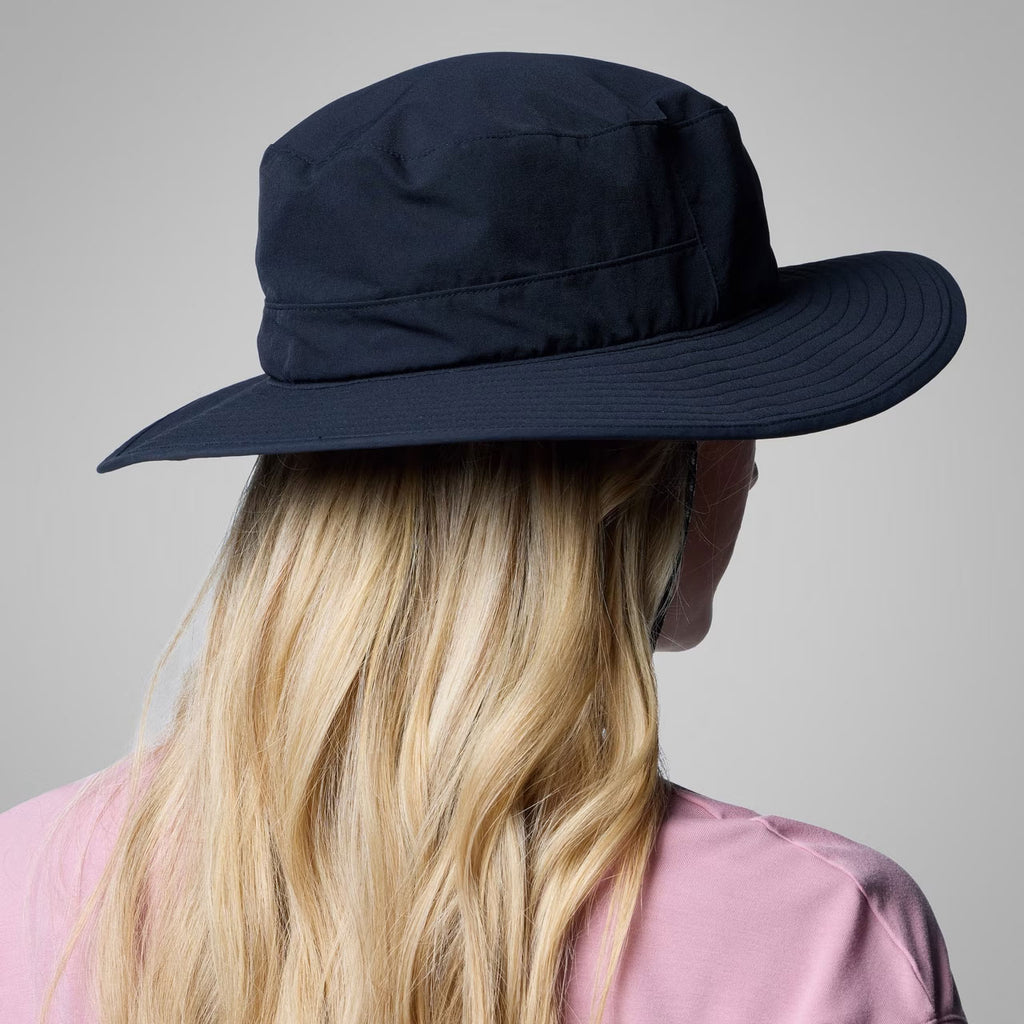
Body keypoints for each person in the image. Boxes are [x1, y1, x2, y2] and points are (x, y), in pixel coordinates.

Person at [0, 52, 968, 1024]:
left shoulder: (26, 881)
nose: (751, 469)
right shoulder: (816, 935)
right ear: (648, 475)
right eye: (738, 410)